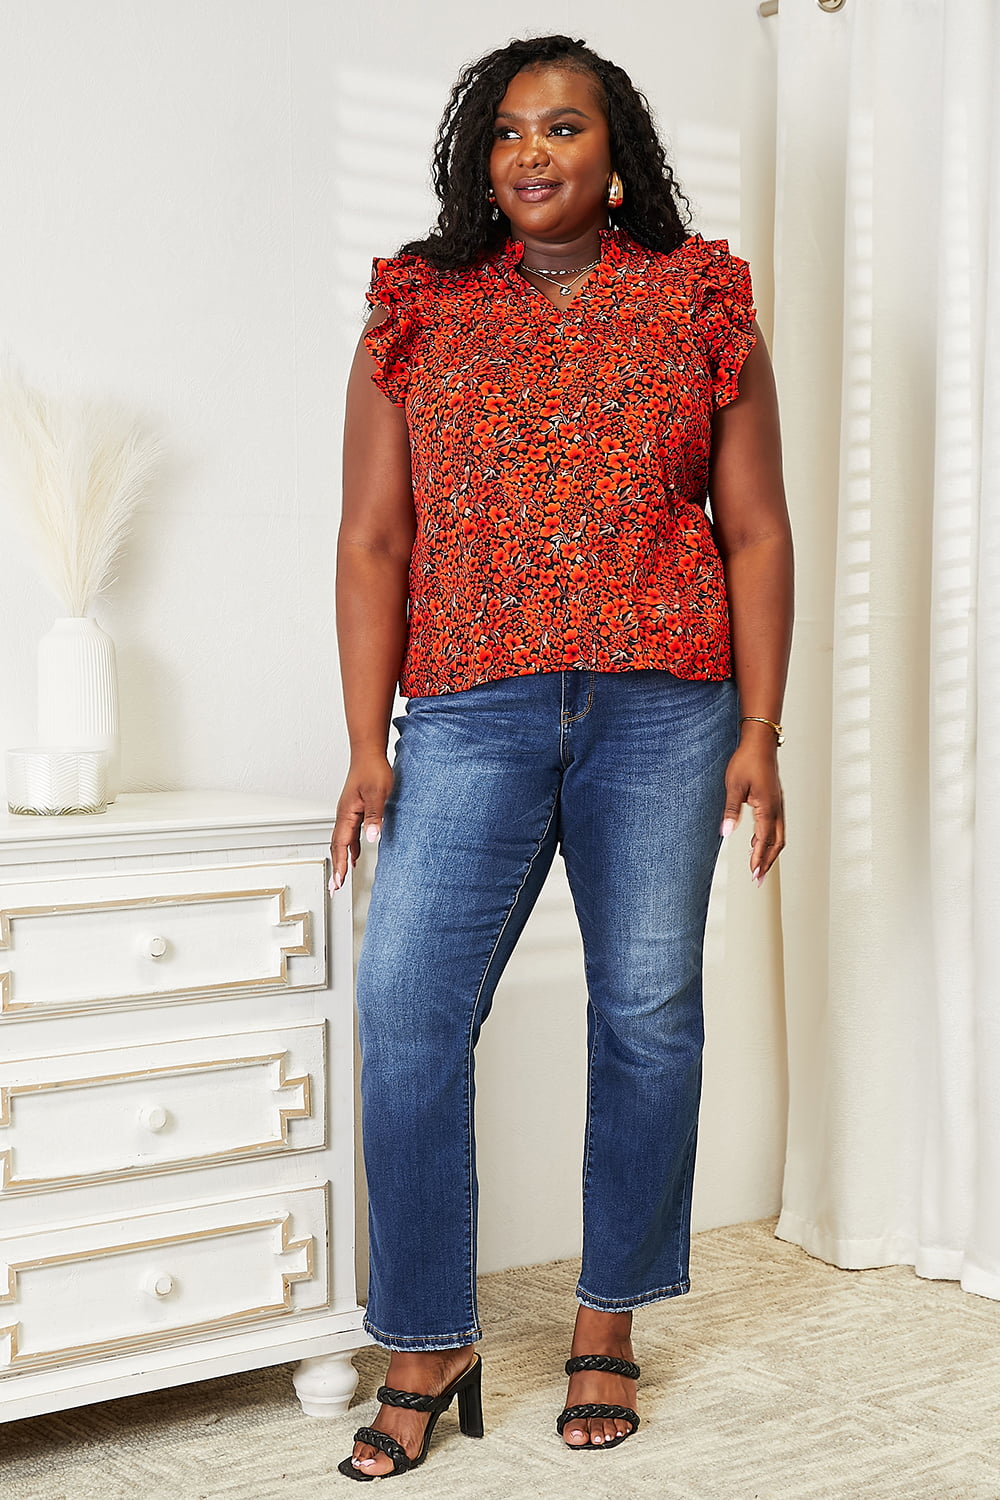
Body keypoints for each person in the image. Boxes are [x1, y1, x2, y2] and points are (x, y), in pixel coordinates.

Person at [330, 33, 793, 1482]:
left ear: (616, 151)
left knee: (645, 1012)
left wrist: (764, 730)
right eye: (509, 132)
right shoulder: (418, 308)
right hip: (469, 702)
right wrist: (365, 742)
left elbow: (758, 529)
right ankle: (428, 1339)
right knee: (406, 1008)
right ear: (483, 157)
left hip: (666, 703)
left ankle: (609, 1324)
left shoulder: (699, 300)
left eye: (565, 128)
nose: (532, 154)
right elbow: (373, 538)